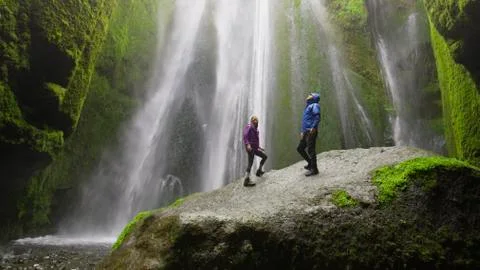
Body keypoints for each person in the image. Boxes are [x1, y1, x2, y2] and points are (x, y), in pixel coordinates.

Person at [297, 93, 320, 176]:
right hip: (306, 132)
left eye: (310, 95)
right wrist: (302, 131)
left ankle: (314, 169)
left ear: (313, 97)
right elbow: (305, 121)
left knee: (311, 149)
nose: (307, 96)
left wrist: (313, 127)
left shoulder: (314, 105)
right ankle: (310, 163)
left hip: (311, 131)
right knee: (300, 148)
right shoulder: (308, 106)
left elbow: (317, 116)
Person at [243, 115, 268, 187]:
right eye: (254, 120)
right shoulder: (249, 126)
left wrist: (259, 148)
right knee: (250, 163)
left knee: (264, 156)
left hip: (255, 148)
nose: (255, 121)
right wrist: (248, 144)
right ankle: (246, 180)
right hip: (250, 149)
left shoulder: (256, 130)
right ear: (251, 121)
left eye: (256, 120)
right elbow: (245, 135)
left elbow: (255, 141)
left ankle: (259, 171)